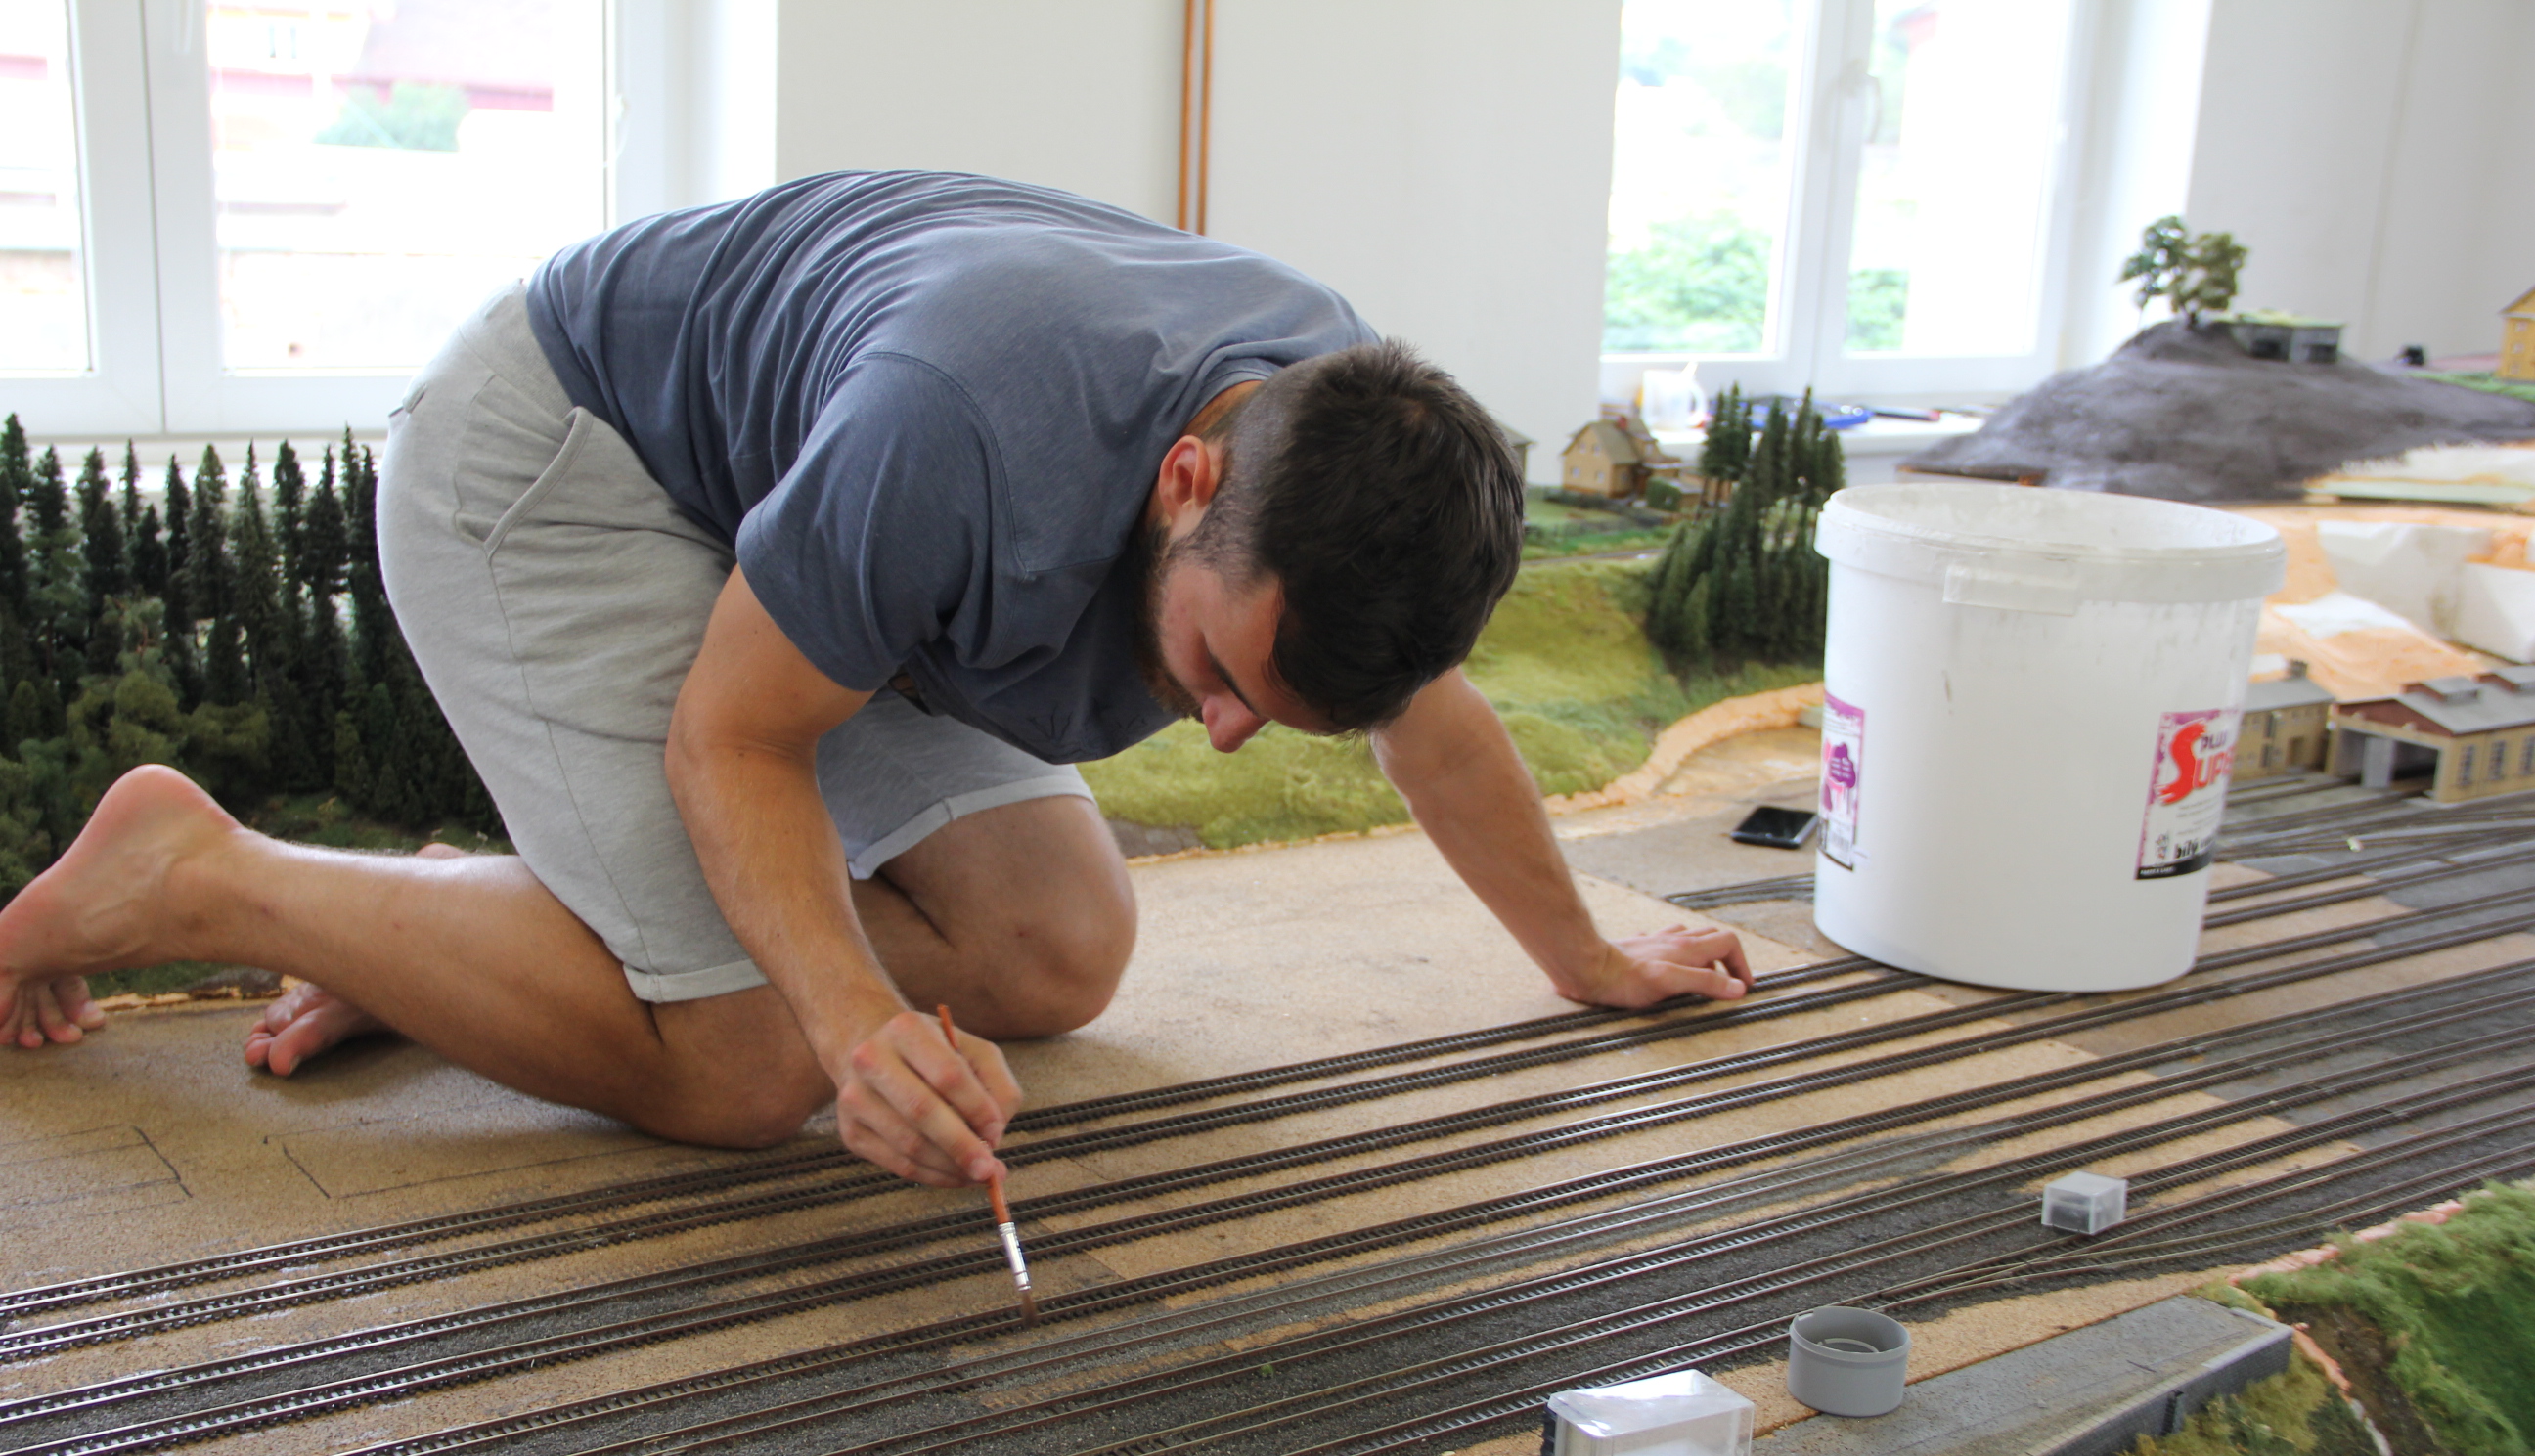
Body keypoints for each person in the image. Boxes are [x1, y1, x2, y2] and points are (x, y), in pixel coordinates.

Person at [0, 170, 1754, 1187]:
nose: (1220, 735)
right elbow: (736, 739)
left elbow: (1430, 724)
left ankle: (505, 943)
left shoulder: (1345, 465)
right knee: (743, 1066)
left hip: (813, 528)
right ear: (1184, 481)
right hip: (570, 463)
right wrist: (848, 1034)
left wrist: (1585, 957)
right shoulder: (965, 435)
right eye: (1219, 675)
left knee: (1057, 946)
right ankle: (204, 870)